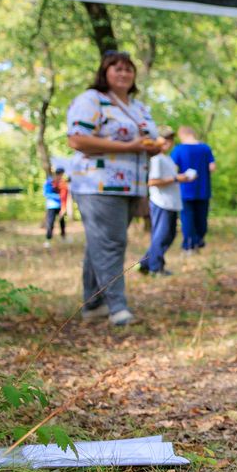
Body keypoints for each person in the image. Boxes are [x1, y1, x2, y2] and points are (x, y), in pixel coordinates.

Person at [65, 50, 162, 326]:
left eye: (128, 69)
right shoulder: (92, 100)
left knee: (101, 243)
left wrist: (154, 147)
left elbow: (144, 142)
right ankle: (117, 307)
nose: (123, 73)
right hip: (97, 184)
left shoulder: (137, 107)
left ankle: (93, 304)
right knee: (112, 244)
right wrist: (128, 147)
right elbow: (77, 139)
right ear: (104, 72)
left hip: (131, 185)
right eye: (117, 68)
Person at [139, 127, 189, 275]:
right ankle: (155, 267)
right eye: (164, 138)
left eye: (170, 139)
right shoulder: (156, 159)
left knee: (169, 235)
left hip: (172, 202)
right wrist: (175, 178)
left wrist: (181, 178)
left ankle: (145, 263)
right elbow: (152, 181)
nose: (168, 142)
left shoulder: (168, 159)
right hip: (161, 202)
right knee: (161, 236)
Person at [171, 125, 215, 253]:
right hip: (203, 190)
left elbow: (172, 169)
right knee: (202, 218)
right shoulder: (205, 148)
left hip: (185, 191)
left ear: (182, 135)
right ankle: (198, 241)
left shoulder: (178, 149)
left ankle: (189, 246)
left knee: (187, 219)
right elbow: (212, 167)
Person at [41, 168, 65, 247]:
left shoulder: (62, 182)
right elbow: (46, 193)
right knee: (50, 223)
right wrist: (58, 197)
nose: (60, 176)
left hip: (60, 206)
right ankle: (48, 239)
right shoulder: (49, 182)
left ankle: (63, 236)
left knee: (62, 222)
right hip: (51, 206)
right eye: (59, 174)